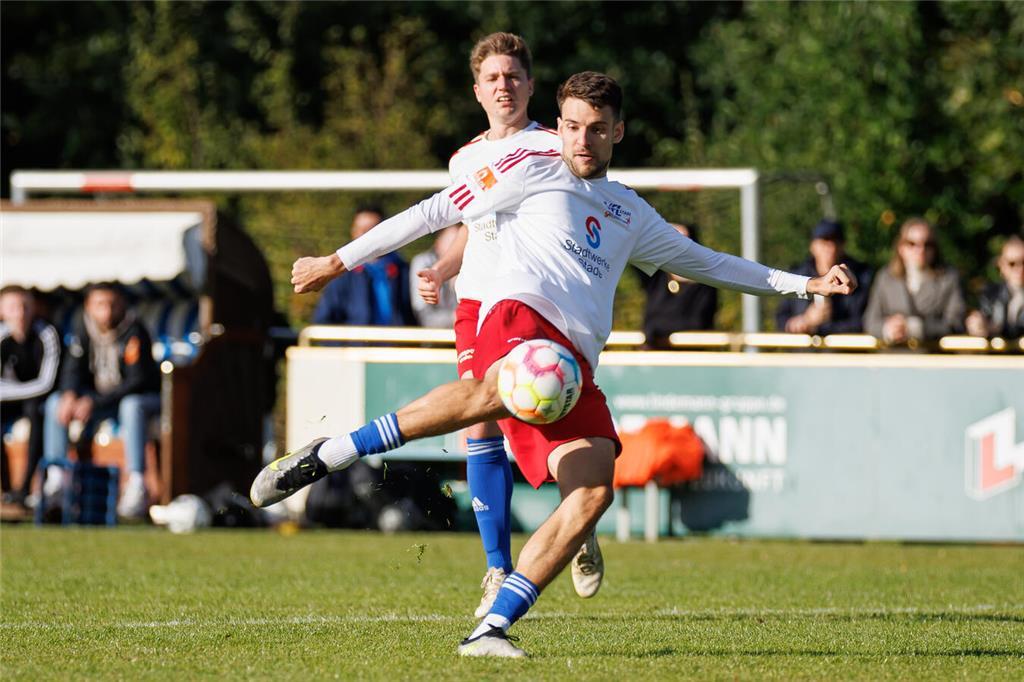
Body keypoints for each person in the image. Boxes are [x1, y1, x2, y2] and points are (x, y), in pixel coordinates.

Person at [253, 72, 856, 658]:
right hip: (515, 319)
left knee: (594, 493)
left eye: (595, 129)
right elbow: (432, 214)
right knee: (489, 400)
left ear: (617, 133)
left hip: (573, 367)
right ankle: (332, 452)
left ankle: (489, 630)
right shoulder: (524, 168)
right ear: (558, 126)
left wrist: (805, 283)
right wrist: (339, 260)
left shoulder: (630, 212)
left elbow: (711, 262)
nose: (580, 141)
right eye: (570, 126)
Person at [415, 32, 579, 618]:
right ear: (477, 90)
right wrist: (442, 266)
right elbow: (470, 225)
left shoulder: (555, 144)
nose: (503, 86)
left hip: (536, 302)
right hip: (475, 307)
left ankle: (577, 519)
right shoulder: (464, 158)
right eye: (492, 78)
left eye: (513, 76)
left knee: (540, 412)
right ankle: (496, 567)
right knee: (479, 427)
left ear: (530, 86)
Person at [42, 283, 161, 518]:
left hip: (139, 401)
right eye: (100, 305)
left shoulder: (135, 331)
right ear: (89, 306)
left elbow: (136, 381)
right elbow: (72, 370)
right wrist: (70, 395)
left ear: (122, 305)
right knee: (56, 402)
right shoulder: (83, 328)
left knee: (132, 405)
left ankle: (137, 483)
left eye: (112, 304)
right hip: (101, 403)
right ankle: (57, 479)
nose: (106, 311)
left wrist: (93, 402)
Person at [0, 286, 61, 507]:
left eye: (25, 307)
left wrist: (8, 390)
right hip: (12, 401)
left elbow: (47, 383)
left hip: (38, 401)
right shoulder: (2, 338)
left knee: (36, 411)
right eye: (13, 307)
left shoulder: (46, 334)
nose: (20, 313)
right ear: (2, 311)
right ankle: (5, 490)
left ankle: (25, 488)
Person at [864, 217, 967, 346]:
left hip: (932, 357)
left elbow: (956, 323)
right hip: (891, 357)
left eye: (927, 244)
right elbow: (870, 321)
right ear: (901, 247)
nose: (920, 250)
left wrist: (916, 328)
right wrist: (887, 329)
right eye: (912, 243)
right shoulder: (885, 277)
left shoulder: (949, 278)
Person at [312, 205, 416, 327]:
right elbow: (324, 320)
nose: (366, 238)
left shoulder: (405, 272)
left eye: (372, 231)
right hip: (355, 345)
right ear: (353, 232)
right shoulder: (340, 276)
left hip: (395, 344)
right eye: (361, 231)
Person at [775, 219, 873, 335]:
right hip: (803, 352)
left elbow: (865, 321)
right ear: (812, 246)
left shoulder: (861, 276)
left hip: (844, 351)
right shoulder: (797, 274)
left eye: (835, 242)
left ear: (843, 246)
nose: (831, 249)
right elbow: (781, 318)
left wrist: (819, 328)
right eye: (824, 242)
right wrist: (803, 321)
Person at [639, 222, 718, 348]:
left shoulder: (705, 284)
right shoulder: (656, 277)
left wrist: (658, 328)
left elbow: (698, 323)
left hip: (689, 358)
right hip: (653, 357)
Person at [966, 234, 1024, 339]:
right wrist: (978, 325)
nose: (1019, 268)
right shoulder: (990, 294)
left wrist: (996, 329)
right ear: (1001, 265)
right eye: (1012, 263)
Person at [408, 226, 459, 328]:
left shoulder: (468, 264)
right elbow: (425, 316)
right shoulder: (423, 263)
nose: (456, 249)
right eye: (453, 242)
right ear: (438, 242)